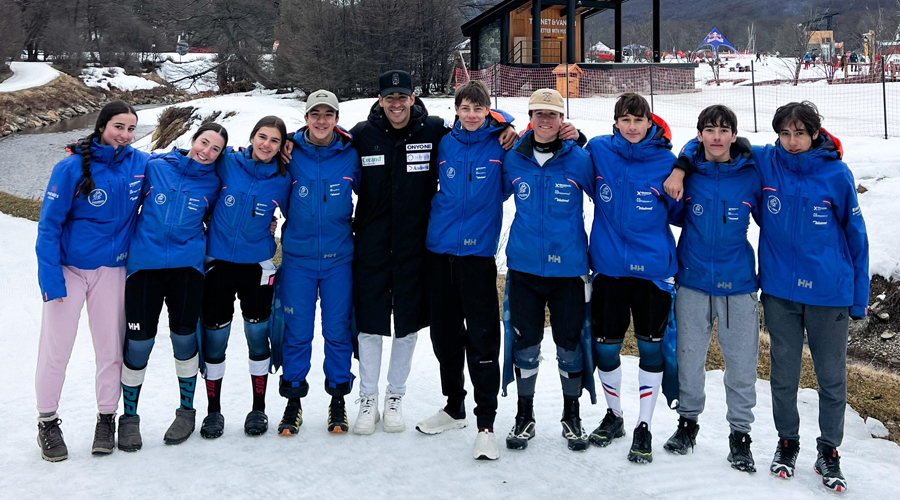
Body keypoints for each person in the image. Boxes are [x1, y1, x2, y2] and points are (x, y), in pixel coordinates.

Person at [345, 70, 518, 435]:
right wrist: (293, 142)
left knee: (410, 323)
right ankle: (369, 399)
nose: (396, 103)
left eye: (402, 97)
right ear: (380, 100)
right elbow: (326, 145)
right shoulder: (362, 135)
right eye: (389, 97)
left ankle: (397, 398)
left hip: (419, 247)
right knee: (377, 324)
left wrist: (505, 124)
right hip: (380, 245)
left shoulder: (433, 131)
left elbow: (487, 126)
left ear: (413, 98)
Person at [752, 102, 867, 492]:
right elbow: (714, 143)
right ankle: (788, 442)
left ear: (815, 133)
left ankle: (829, 450)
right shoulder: (767, 163)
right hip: (780, 293)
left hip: (828, 293)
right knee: (783, 375)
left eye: (800, 133)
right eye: (785, 133)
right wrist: (683, 163)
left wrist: (858, 298)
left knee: (831, 377)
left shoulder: (837, 174)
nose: (792, 141)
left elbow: (857, 236)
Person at [34, 101, 150, 462]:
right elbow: (49, 226)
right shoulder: (69, 167)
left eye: (131, 129)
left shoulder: (139, 163)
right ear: (102, 126)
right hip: (69, 271)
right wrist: (51, 279)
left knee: (111, 351)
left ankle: (106, 418)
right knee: (56, 350)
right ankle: (47, 422)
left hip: (112, 271)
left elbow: (182, 167)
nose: (125, 135)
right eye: (119, 126)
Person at [660, 105, 762, 474]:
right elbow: (671, 215)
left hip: (738, 285)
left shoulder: (752, 173)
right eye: (709, 130)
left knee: (740, 365)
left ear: (734, 135)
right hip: (693, 280)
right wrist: (680, 170)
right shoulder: (689, 173)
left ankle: (740, 435)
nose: (716, 137)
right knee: (689, 360)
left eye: (724, 130)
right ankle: (688, 424)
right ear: (700, 134)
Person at [117, 123, 226, 451]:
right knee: (138, 343)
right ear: (192, 141)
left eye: (215, 149)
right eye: (203, 142)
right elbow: (122, 160)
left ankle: (186, 412)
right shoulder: (155, 166)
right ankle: (129, 419)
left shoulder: (215, 182)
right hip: (144, 268)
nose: (206, 151)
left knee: (184, 339)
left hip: (187, 270)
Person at [584, 93, 680, 464]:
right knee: (606, 346)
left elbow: (679, 212)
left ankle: (644, 424)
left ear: (649, 122)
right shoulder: (599, 151)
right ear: (616, 122)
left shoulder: (667, 161)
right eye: (626, 119)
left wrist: (681, 171)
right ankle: (614, 416)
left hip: (652, 273)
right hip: (608, 269)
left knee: (650, 348)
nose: (633, 127)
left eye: (639, 120)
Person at [502, 88, 595, 453]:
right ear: (530, 117)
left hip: (569, 270)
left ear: (562, 120)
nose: (545, 120)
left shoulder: (580, 159)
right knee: (525, 346)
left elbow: (608, 197)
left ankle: (571, 416)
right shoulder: (513, 157)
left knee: (569, 346)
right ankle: (524, 416)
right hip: (524, 267)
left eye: (552, 114)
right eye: (538, 113)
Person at [199, 116, 292, 439]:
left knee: (257, 338)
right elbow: (193, 165)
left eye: (275, 141)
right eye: (262, 137)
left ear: (282, 146)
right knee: (215, 340)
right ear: (251, 137)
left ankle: (258, 409)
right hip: (218, 265)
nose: (266, 145)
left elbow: (300, 215)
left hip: (257, 267)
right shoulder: (227, 163)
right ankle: (213, 412)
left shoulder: (283, 178)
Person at [276, 91, 358, 436]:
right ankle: (293, 401)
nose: (322, 121)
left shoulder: (351, 153)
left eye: (328, 115)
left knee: (338, 330)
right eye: (315, 114)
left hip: (340, 258)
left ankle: (337, 400)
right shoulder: (288, 152)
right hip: (299, 259)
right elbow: (252, 157)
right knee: (297, 332)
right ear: (306, 118)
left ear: (337, 119)